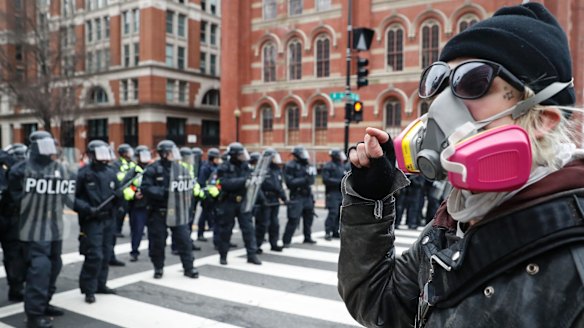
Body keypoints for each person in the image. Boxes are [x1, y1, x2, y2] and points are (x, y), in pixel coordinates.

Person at [338, 3, 584, 327]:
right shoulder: (456, 217)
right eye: (440, 80)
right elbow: (382, 305)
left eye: (472, 81)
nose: (441, 103)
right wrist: (370, 200)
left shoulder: (574, 256)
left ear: (544, 119)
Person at [8, 131, 75, 328]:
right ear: (35, 146)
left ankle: (44, 303)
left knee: (54, 265)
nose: (50, 150)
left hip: (54, 225)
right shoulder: (21, 170)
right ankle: (34, 315)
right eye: (45, 145)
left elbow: (67, 197)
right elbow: (16, 200)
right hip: (33, 227)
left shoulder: (59, 169)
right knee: (40, 268)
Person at [141, 140, 199, 279]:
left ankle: (189, 267)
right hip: (158, 211)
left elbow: (188, 186)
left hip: (177, 211)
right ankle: (158, 267)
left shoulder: (181, 168)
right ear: (164, 154)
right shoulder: (153, 169)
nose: (174, 155)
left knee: (184, 240)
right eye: (171, 152)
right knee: (157, 242)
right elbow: (146, 188)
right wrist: (165, 192)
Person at [73, 140, 121, 304]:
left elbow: (117, 193)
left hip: (108, 219)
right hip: (92, 220)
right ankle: (89, 289)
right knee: (94, 255)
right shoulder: (82, 173)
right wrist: (87, 209)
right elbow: (72, 198)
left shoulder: (111, 172)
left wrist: (120, 201)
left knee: (106, 253)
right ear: (92, 155)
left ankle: (101, 284)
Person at [215, 142, 261, 265]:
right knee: (226, 230)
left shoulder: (246, 166)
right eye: (240, 154)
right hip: (228, 201)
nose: (243, 157)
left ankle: (252, 255)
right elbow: (225, 184)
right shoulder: (224, 167)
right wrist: (243, 181)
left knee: (248, 229)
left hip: (243, 201)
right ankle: (223, 255)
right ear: (234, 155)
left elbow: (250, 179)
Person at [0, 145, 27, 302]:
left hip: (12, 217)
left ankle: (16, 288)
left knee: (15, 255)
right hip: (7, 216)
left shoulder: (20, 173)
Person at [282, 145, 317, 247]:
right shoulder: (290, 165)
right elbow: (289, 182)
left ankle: (307, 237)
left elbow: (311, 179)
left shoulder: (307, 165)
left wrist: (310, 178)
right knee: (293, 219)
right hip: (297, 195)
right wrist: (304, 180)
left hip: (307, 195)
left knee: (309, 217)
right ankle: (286, 241)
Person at [255, 148, 286, 253]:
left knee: (274, 224)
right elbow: (257, 187)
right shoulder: (261, 169)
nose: (276, 159)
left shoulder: (277, 169)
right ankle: (256, 245)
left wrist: (284, 197)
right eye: (274, 157)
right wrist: (263, 200)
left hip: (274, 200)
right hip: (265, 200)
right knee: (263, 224)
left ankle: (274, 243)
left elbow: (279, 185)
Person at [125, 145, 151, 262]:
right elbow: (126, 186)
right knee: (137, 230)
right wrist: (134, 194)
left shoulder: (152, 169)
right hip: (138, 205)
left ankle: (153, 251)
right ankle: (134, 251)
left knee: (154, 230)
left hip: (151, 204)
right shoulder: (133, 171)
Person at [197, 148, 221, 243]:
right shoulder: (205, 168)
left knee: (214, 215)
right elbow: (202, 182)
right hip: (207, 196)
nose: (218, 160)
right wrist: (206, 194)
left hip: (215, 195)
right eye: (217, 158)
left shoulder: (217, 167)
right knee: (204, 214)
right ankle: (200, 233)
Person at [321, 148, 346, 240]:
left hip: (340, 193)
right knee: (333, 213)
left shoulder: (341, 166)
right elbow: (326, 180)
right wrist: (340, 182)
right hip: (332, 193)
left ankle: (335, 231)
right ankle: (328, 232)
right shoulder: (328, 166)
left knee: (340, 213)